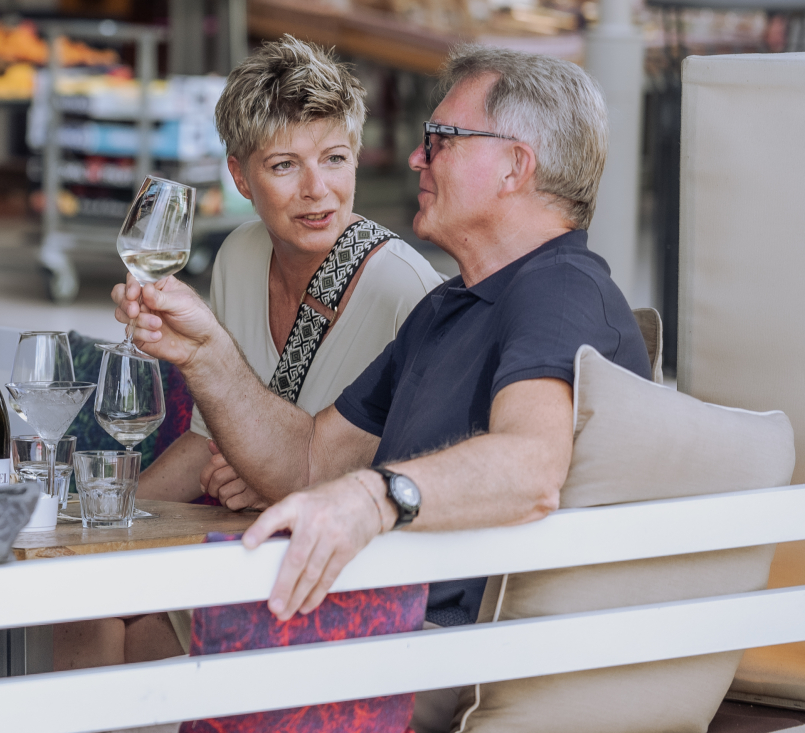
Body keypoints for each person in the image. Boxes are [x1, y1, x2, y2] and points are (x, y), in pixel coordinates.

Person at [116, 46, 649, 733]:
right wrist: (205, 352)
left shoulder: (559, 290)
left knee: (144, 649)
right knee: (119, 631)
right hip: (382, 623)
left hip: (445, 649)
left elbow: (531, 467)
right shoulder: (448, 309)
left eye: (442, 140)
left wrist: (372, 498)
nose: (417, 159)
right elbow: (308, 462)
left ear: (515, 166)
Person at [53, 38, 443, 671]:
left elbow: (416, 480)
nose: (318, 190)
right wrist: (90, 527)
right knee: (83, 598)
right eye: (285, 165)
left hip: (342, 571)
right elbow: (207, 441)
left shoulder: (405, 291)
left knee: (134, 630)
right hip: (245, 545)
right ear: (240, 177)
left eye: (335, 159)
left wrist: (274, 486)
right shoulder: (239, 255)